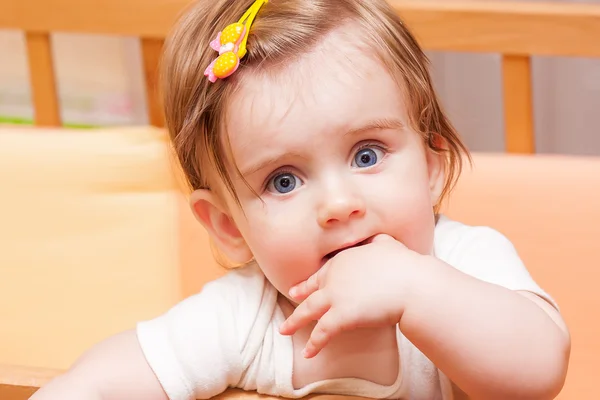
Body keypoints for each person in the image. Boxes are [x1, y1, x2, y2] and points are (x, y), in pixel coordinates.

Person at [31, 0, 570, 399]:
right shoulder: (245, 315)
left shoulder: (464, 263)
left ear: (432, 165)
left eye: (366, 154)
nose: (338, 204)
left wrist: (416, 288)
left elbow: (537, 373)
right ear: (228, 226)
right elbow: (105, 383)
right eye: (283, 181)